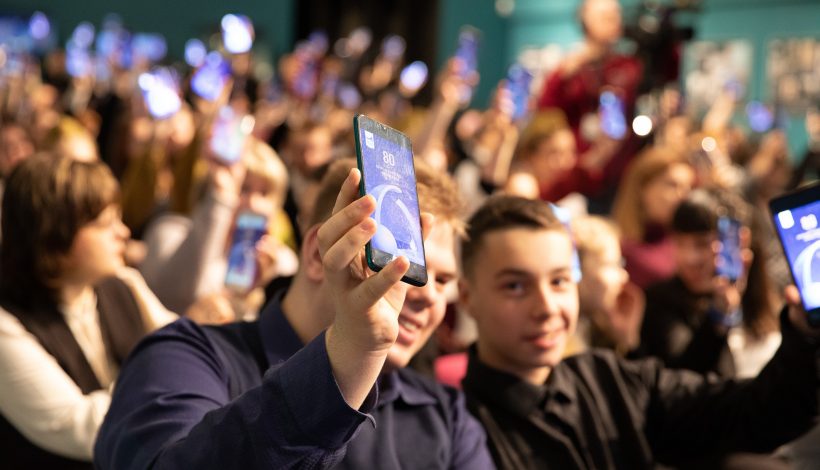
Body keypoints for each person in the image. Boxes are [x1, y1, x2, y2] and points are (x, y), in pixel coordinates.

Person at [95, 159, 494, 469]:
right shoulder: (184, 357)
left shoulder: (446, 417)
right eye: (401, 265)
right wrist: (345, 359)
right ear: (319, 255)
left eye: (443, 280)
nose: (427, 295)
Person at [459, 195, 818, 469]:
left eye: (559, 281)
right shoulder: (459, 433)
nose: (547, 307)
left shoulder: (610, 380)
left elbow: (753, 413)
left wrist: (805, 330)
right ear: (467, 297)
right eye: (515, 287)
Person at [0, 154, 177, 468]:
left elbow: (181, 345)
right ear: (54, 238)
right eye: (106, 224)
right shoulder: (7, 323)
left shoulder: (122, 282)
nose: (123, 232)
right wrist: (176, 379)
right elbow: (80, 427)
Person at [634, 189, 780, 378]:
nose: (689, 258)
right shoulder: (660, 300)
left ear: (738, 242)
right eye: (680, 243)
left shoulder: (765, 300)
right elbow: (680, 377)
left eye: (702, 244)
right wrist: (719, 315)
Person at [612, 146, 695, 289]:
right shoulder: (618, 246)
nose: (683, 196)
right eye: (672, 185)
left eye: (688, 188)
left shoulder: (684, 240)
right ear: (642, 188)